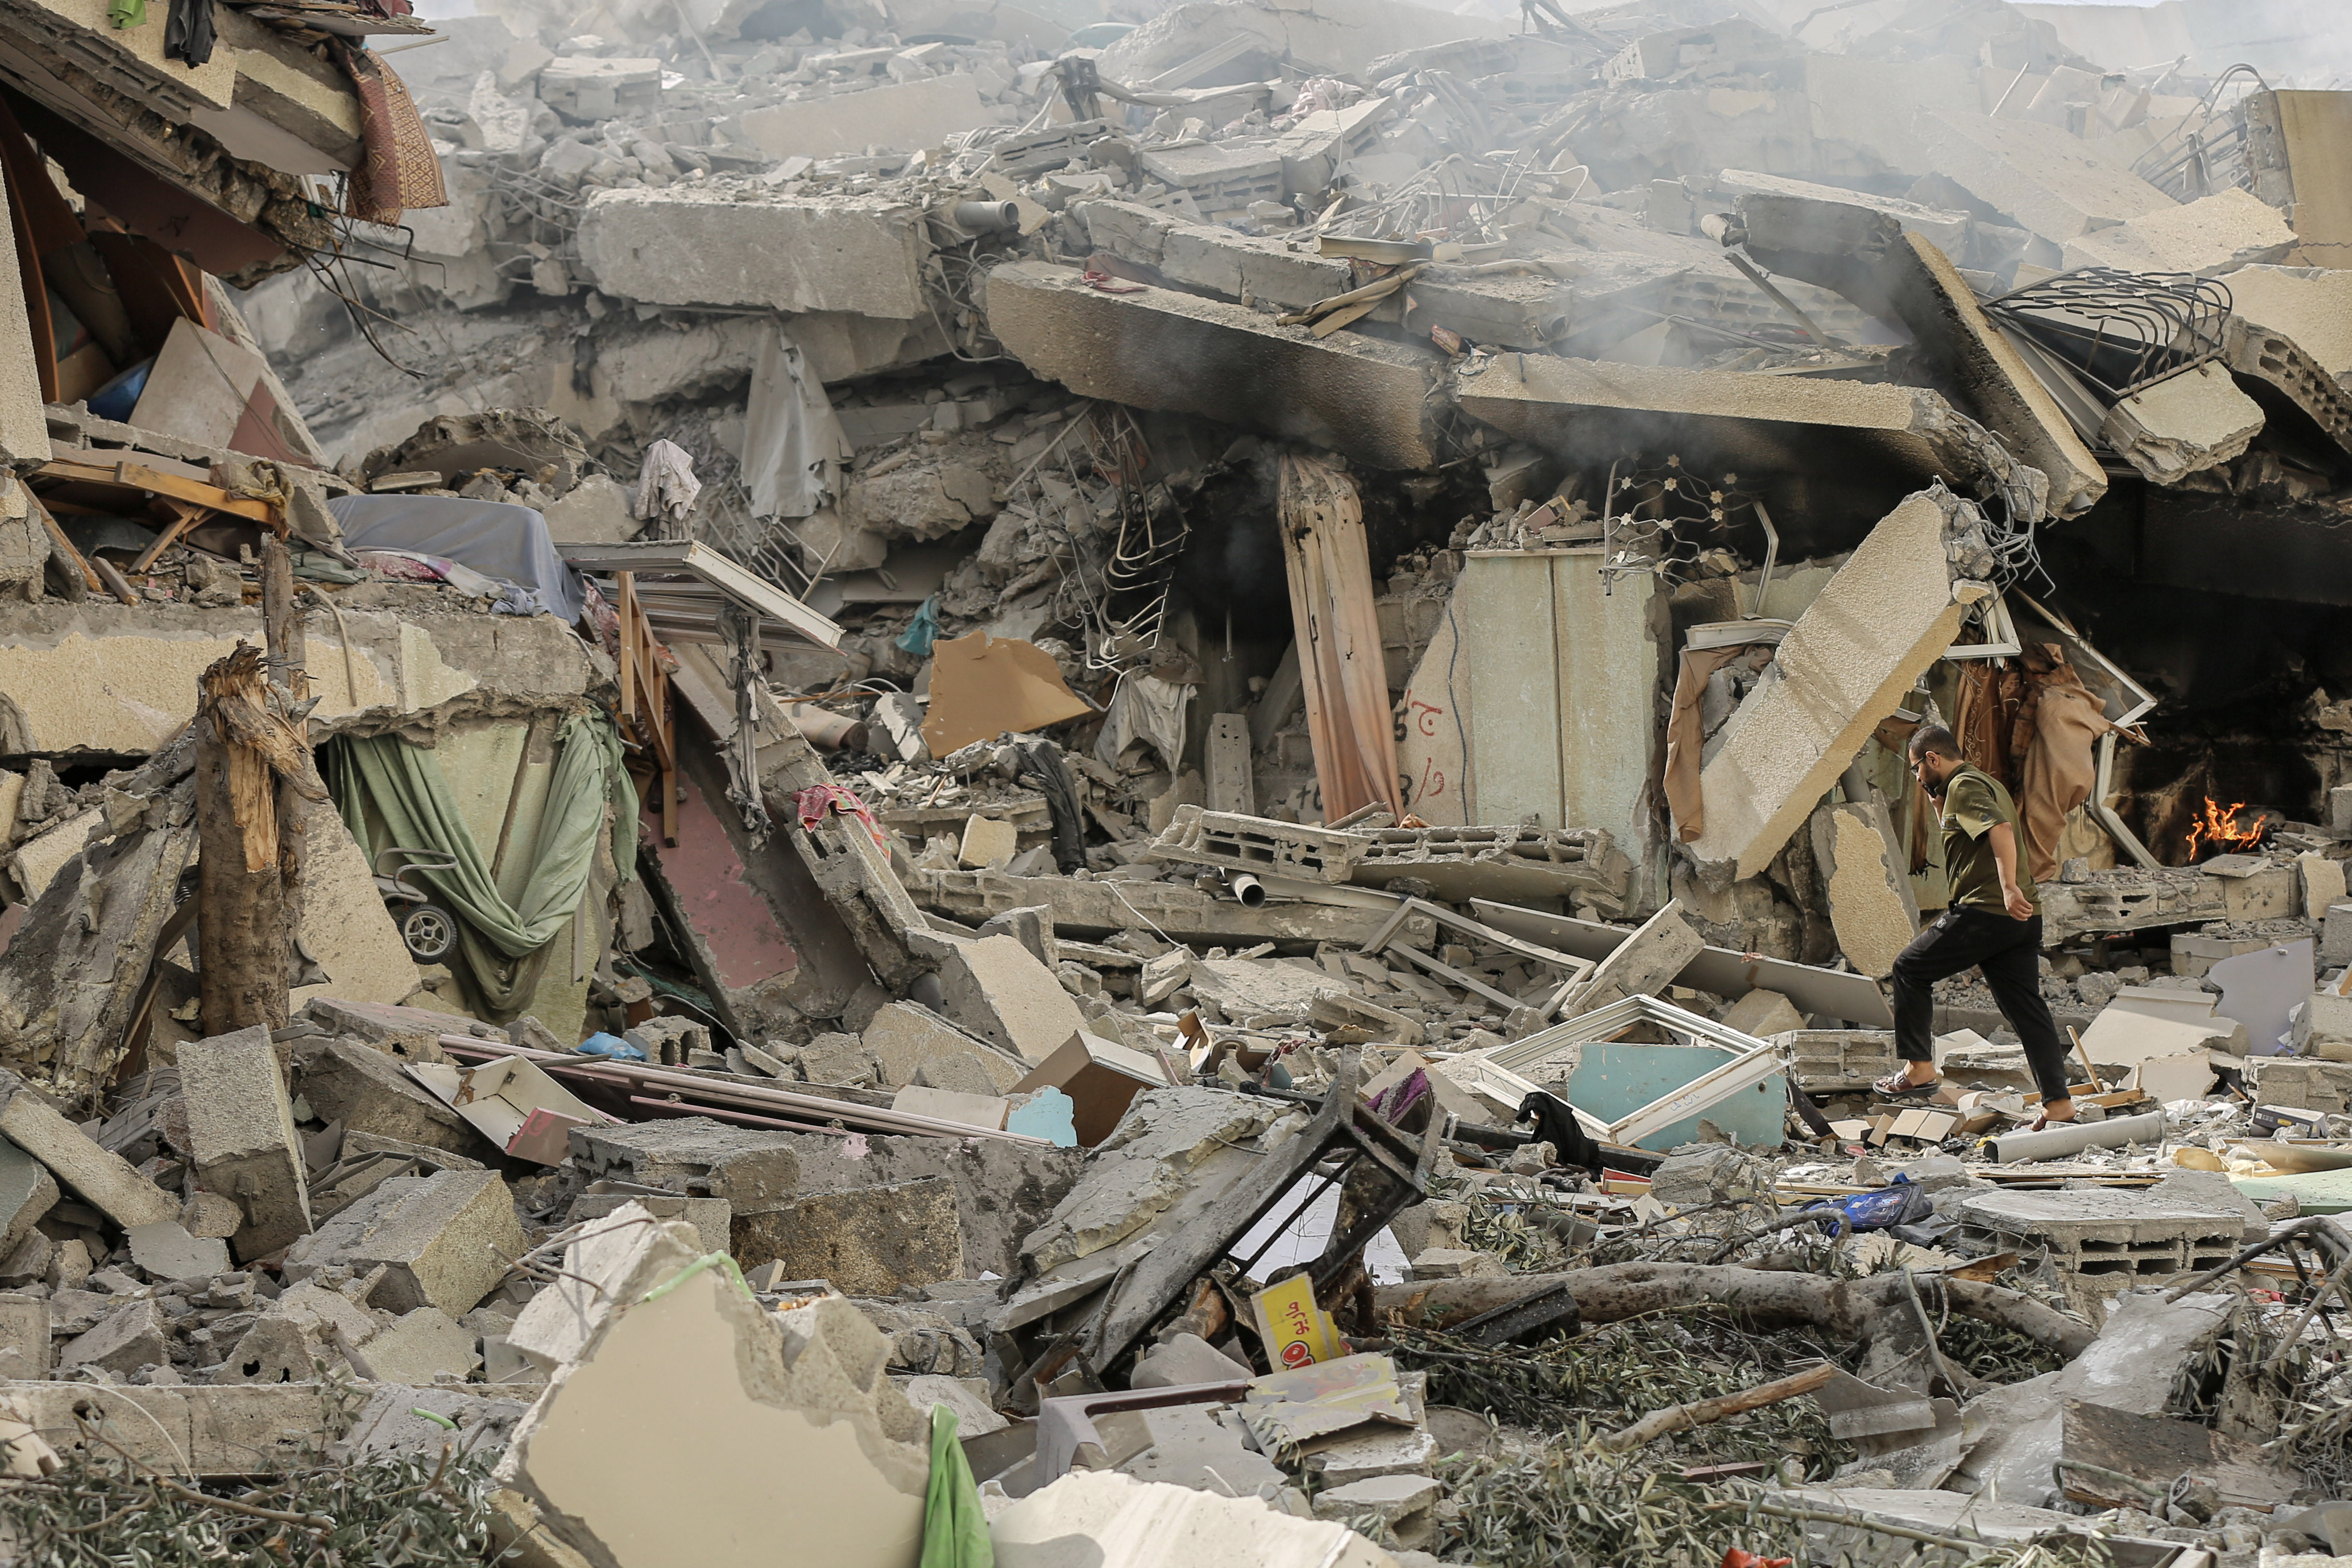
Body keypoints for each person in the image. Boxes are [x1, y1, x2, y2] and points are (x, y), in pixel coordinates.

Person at [1876, 725, 2076, 1130]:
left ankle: (1918, 1069)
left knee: (1910, 969)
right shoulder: (1979, 784)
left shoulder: (1965, 786)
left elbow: (1999, 831)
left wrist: (2007, 887)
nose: (1916, 778)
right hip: (2020, 920)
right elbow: (1962, 834)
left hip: (1986, 912)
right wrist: (1936, 801)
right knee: (2027, 1010)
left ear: (1933, 759)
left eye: (1917, 769)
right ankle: (2058, 1104)